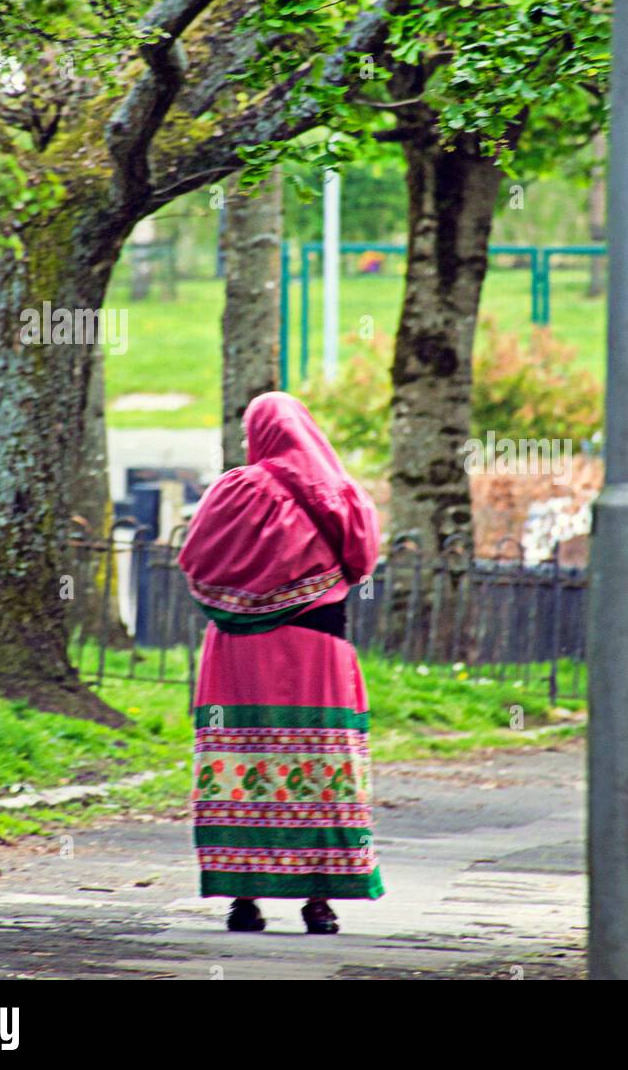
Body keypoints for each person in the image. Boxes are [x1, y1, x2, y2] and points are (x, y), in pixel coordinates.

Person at [178, 392, 384, 933]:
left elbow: (195, 559)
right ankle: (319, 902)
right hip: (318, 651)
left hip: (237, 653)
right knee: (317, 768)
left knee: (243, 764)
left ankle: (244, 898)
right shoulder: (343, 495)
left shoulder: (236, 489)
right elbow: (362, 562)